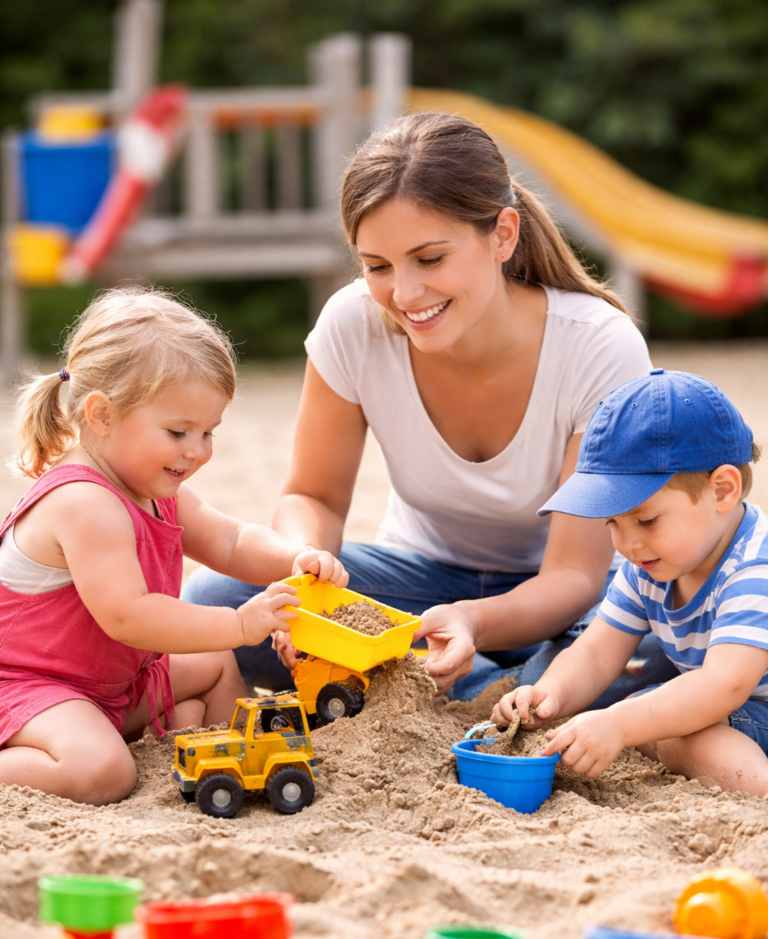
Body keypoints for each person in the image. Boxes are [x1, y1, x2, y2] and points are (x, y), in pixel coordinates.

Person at [184, 111, 677, 701]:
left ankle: (440, 681)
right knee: (216, 599)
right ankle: (496, 688)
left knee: (653, 649)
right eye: (377, 267)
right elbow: (311, 496)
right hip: (417, 579)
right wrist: (305, 571)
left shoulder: (599, 345)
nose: (404, 293)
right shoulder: (351, 325)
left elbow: (572, 576)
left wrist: (473, 621)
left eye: (430, 259)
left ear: (503, 235)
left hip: (566, 595)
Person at [0, 287, 346, 807]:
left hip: (111, 684)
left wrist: (294, 557)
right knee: (101, 772)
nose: (197, 450)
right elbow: (130, 617)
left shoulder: (152, 486)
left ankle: (234, 755)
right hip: (33, 686)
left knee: (214, 666)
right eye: (178, 430)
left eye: (209, 431)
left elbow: (229, 539)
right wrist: (240, 624)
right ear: (101, 415)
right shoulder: (84, 503)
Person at [491, 369, 768, 796]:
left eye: (646, 520)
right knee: (652, 717)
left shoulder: (754, 568)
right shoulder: (649, 565)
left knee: (670, 732)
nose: (628, 543)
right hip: (733, 709)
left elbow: (724, 684)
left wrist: (619, 724)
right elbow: (599, 651)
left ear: (723, 491)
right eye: (612, 523)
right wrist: (551, 694)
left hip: (751, 706)